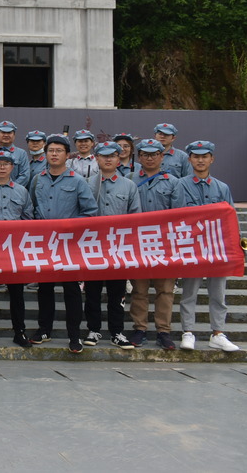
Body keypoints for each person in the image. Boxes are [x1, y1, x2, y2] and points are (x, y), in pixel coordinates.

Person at [28, 134, 98, 353]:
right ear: (45, 154)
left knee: (72, 292)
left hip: (69, 246)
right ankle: (44, 330)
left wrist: (67, 226)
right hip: (44, 245)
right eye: (51, 151)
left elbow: (90, 212)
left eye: (59, 151)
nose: (54, 154)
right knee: (44, 289)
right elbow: (30, 209)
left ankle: (74, 335)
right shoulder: (38, 179)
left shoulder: (77, 181)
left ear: (68, 156)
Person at [176, 140, 240, 352]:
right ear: (190, 159)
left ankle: (218, 333)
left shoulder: (222, 187)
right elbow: (176, 217)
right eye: (196, 156)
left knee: (218, 293)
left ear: (212, 159)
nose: (200, 160)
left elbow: (231, 218)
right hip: (192, 248)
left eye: (204, 156)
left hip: (216, 249)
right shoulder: (181, 185)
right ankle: (188, 332)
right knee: (189, 293)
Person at [82, 141, 141, 350]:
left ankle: (117, 332)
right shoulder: (87, 184)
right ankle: (93, 329)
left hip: (118, 248)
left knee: (117, 293)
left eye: (112, 156)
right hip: (93, 248)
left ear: (119, 158)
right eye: (103, 156)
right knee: (92, 293)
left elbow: (135, 218)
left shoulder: (129, 185)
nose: (108, 159)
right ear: (96, 158)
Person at [127, 138, 179, 350]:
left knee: (165, 290)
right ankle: (140, 328)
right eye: (145, 154)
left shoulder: (173, 182)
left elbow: (178, 215)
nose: (149, 158)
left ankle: (163, 331)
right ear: (139, 157)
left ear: (161, 156)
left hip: (164, 245)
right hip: (137, 243)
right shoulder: (129, 180)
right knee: (139, 289)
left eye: (154, 154)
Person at [0, 149, 32, 348]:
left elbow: (28, 219)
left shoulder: (21, 191)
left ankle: (19, 331)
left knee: (17, 294)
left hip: (13, 250)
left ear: (13, 167)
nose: (2, 167)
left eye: (6, 163)